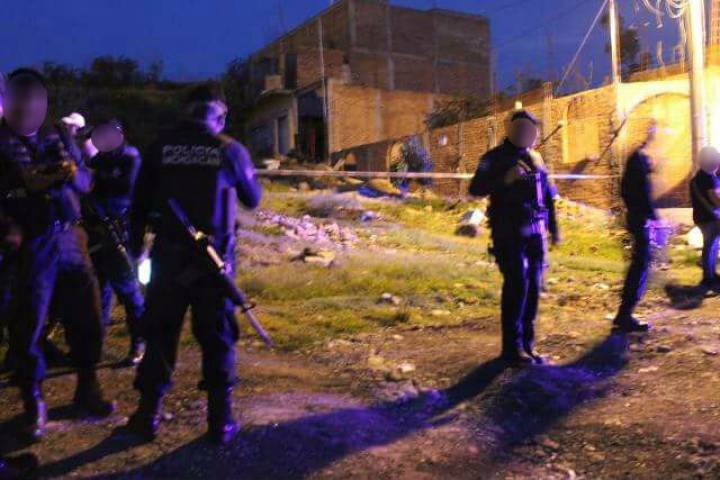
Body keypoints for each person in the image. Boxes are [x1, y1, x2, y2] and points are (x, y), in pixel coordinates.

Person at [125, 83, 262, 444]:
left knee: (160, 333)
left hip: (167, 258)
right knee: (217, 337)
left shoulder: (160, 148)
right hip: (214, 264)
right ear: (221, 115)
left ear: (186, 110)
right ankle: (220, 420)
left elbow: (138, 206)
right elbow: (253, 198)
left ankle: (147, 415)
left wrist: (136, 250)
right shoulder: (229, 149)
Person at [0, 68, 114, 441]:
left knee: (87, 314)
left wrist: (68, 172)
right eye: (20, 99)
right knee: (29, 322)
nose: (28, 107)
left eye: (35, 99)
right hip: (31, 241)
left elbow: (86, 182)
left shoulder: (58, 136)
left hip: (69, 236)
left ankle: (88, 386)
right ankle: (33, 402)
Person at [468, 110, 559, 366]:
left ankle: (528, 346)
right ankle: (511, 349)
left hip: (535, 232)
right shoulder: (493, 158)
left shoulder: (536, 157)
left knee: (533, 288)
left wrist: (554, 228)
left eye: (530, 130)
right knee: (517, 285)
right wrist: (504, 180)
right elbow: (475, 189)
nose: (526, 134)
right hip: (507, 232)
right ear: (510, 130)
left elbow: (547, 196)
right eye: (519, 129)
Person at [86, 119, 145, 365]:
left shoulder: (130, 157)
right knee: (99, 288)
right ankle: (94, 346)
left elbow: (127, 188)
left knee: (127, 288)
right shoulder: (98, 160)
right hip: (97, 230)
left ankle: (138, 343)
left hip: (121, 231)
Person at [614, 124, 658, 333]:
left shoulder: (638, 159)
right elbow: (636, 191)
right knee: (640, 264)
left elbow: (631, 189)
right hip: (639, 219)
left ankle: (625, 313)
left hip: (638, 217)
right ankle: (625, 314)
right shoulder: (638, 159)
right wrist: (649, 216)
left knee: (641, 263)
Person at [690, 146, 720, 288]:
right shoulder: (708, 178)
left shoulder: (697, 178)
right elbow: (715, 199)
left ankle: (710, 274)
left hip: (702, 217)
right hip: (710, 218)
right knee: (710, 246)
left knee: (711, 245)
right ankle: (708, 277)